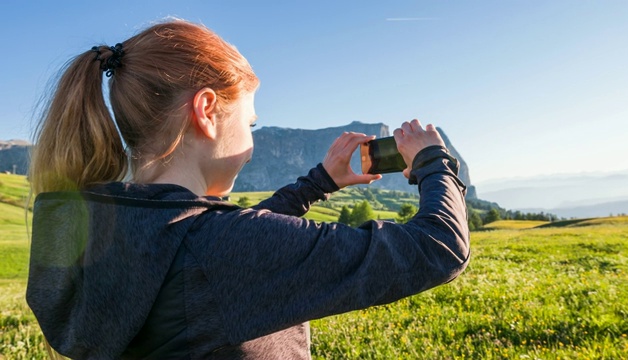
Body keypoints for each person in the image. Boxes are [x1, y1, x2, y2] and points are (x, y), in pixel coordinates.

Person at [26, 19, 470, 359]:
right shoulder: (222, 249)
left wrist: (320, 184)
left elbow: (214, 241)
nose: (252, 141)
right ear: (205, 110)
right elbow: (439, 248)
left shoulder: (106, 222)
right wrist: (434, 161)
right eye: (249, 122)